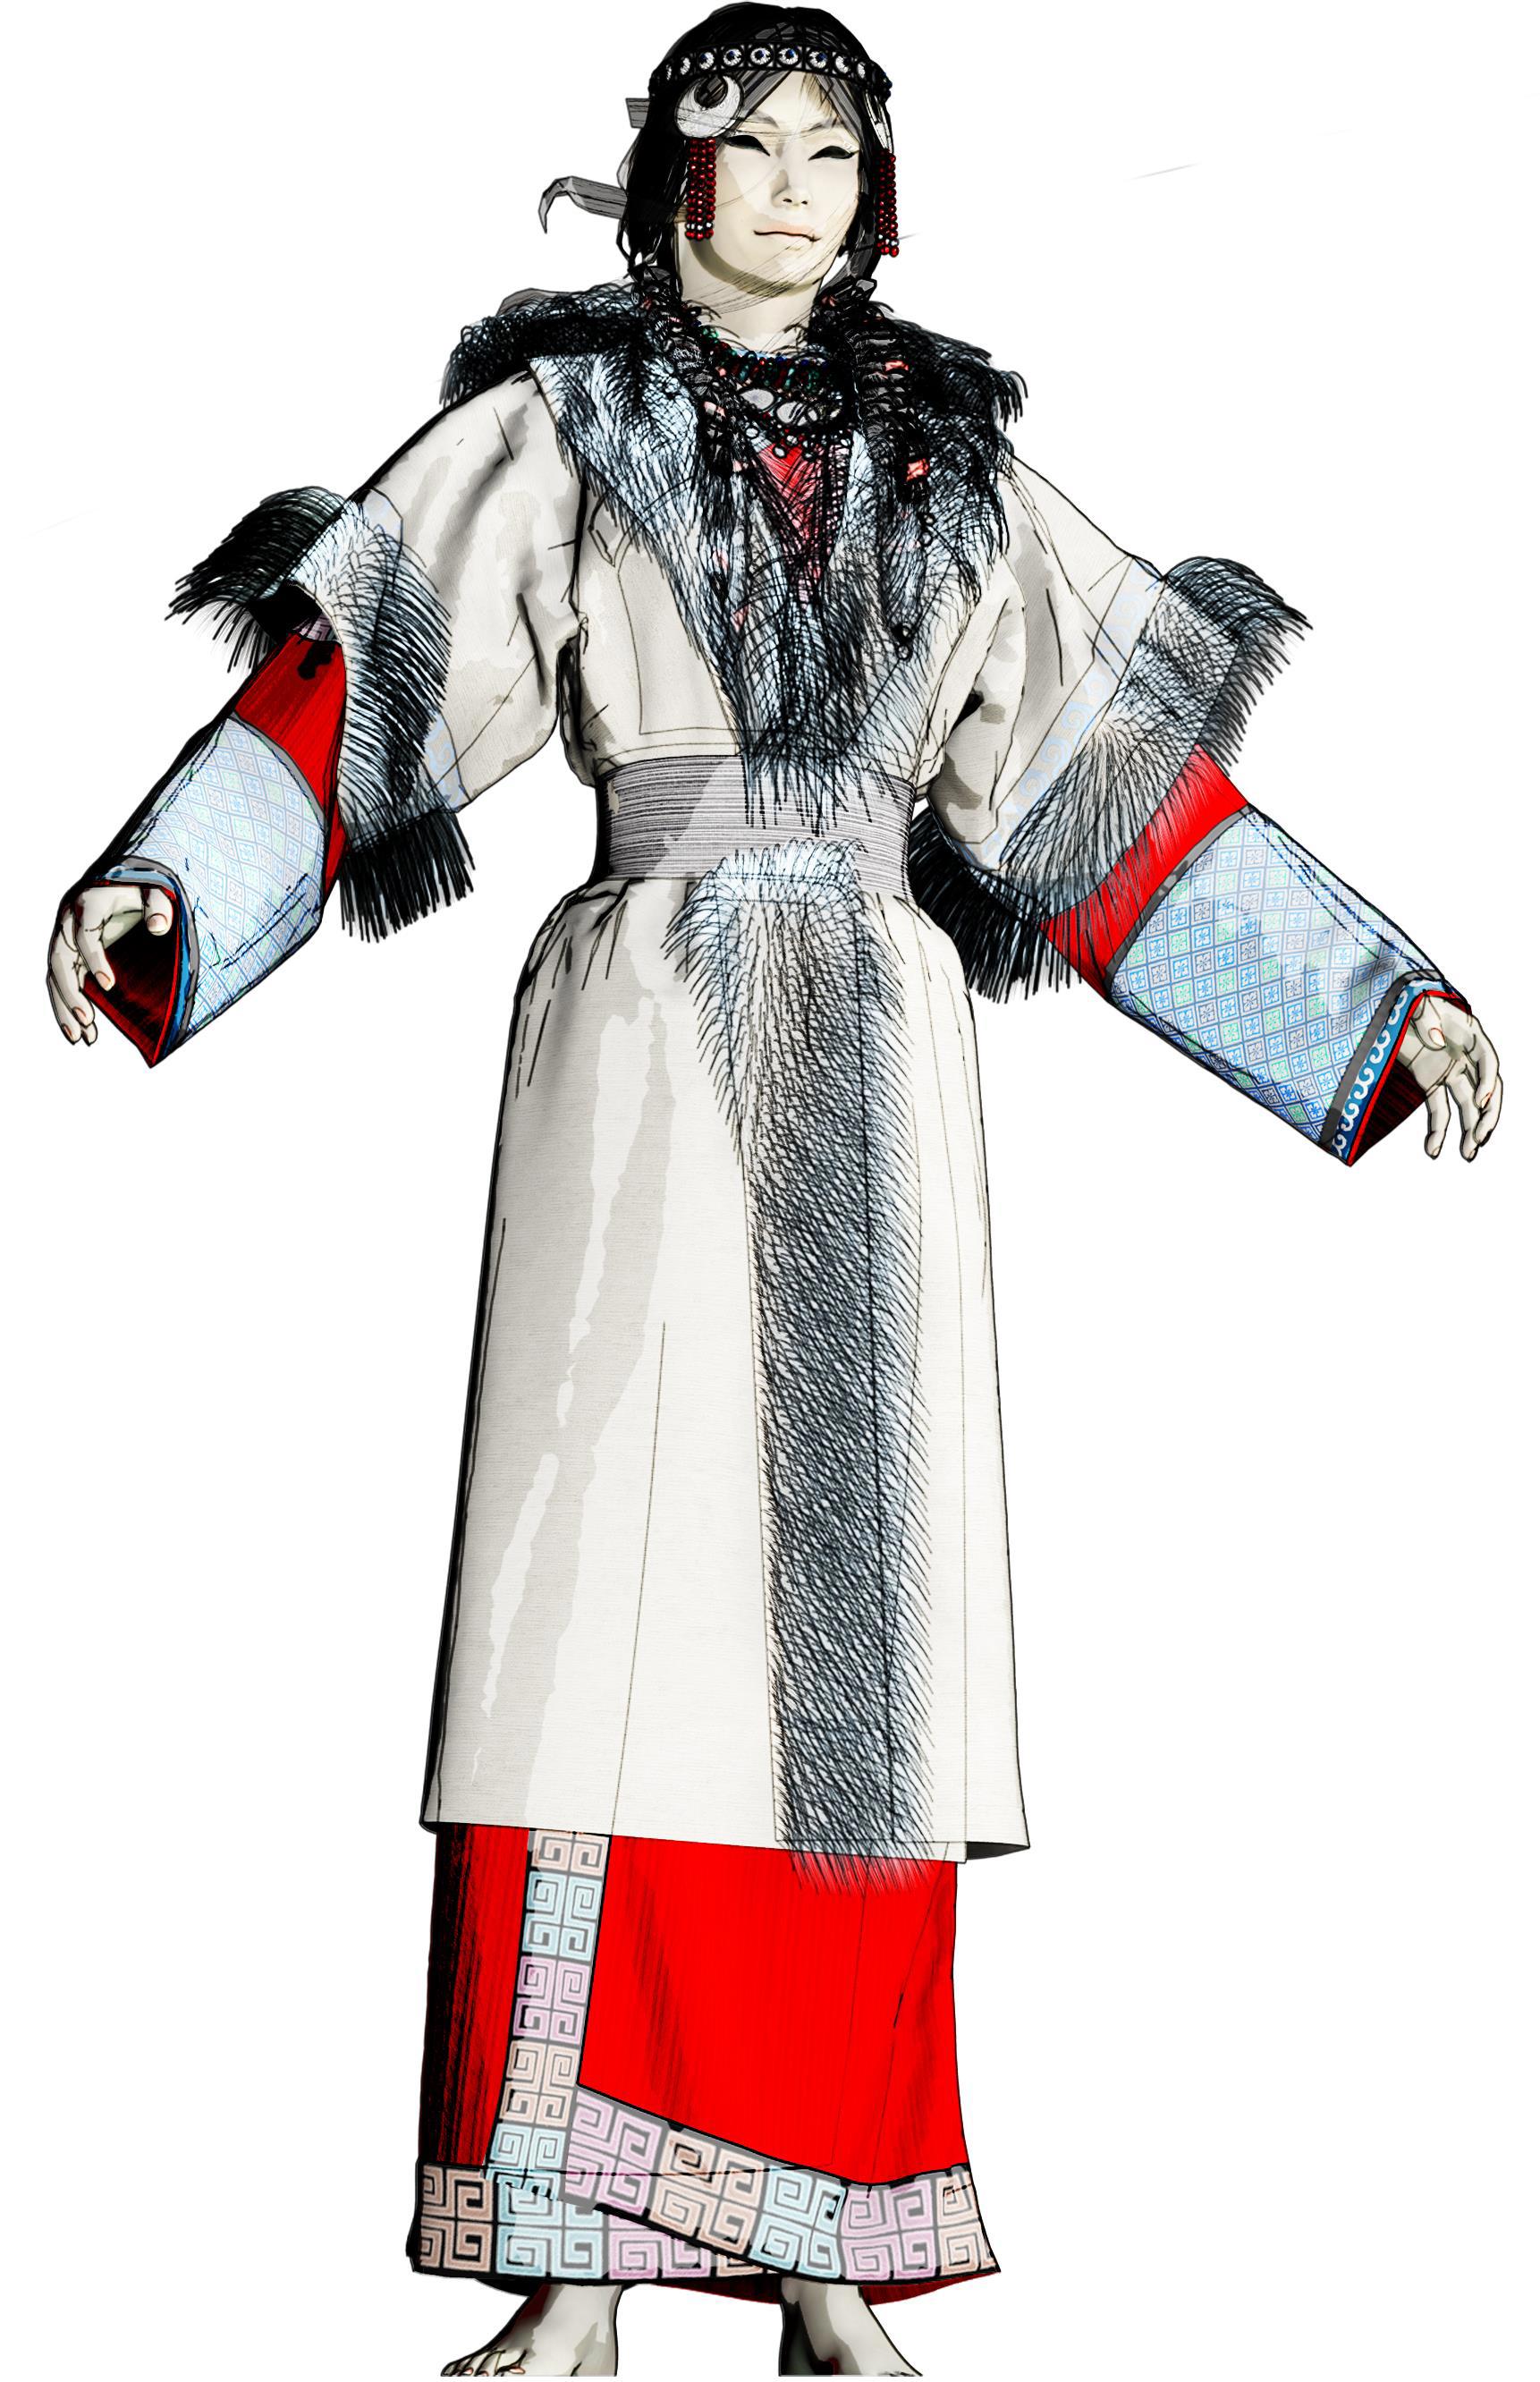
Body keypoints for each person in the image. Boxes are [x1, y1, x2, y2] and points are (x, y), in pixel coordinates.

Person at [44, 9, 1503, 2376]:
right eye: (751, 140)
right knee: (587, 1625)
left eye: (840, 143)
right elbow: (362, 684)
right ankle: (573, 2276)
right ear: (670, 180)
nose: (799, 180)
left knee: (855, 1655)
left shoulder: (952, 474)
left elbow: (1109, 796)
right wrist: (174, 882)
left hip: (876, 1077)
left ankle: (834, 2257)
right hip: (635, 1061)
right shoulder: (560, 435)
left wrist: (1372, 1001)